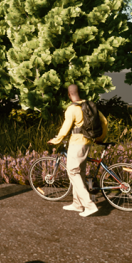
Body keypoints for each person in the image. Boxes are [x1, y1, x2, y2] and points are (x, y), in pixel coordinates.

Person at [47, 84, 109, 217]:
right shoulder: (89, 105)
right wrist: (100, 138)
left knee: (73, 172)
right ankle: (77, 204)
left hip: (76, 144)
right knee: (79, 173)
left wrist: (56, 140)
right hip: (87, 142)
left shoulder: (72, 109)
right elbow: (104, 122)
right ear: (79, 93)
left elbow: (65, 128)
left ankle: (89, 205)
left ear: (69, 95)